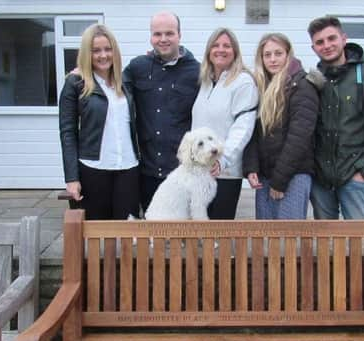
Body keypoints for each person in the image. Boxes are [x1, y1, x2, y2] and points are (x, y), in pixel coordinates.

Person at [307, 16, 364, 219]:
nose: (327, 45)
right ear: (314, 48)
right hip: (321, 179)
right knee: (325, 243)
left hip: (354, 177)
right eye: (320, 42)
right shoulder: (313, 81)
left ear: (343, 39)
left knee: (361, 241)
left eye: (331, 39)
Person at [59, 24, 140, 220]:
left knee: (128, 233)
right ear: (87, 53)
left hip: (128, 168)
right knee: (95, 235)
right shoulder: (75, 83)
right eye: (96, 50)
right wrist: (71, 178)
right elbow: (68, 132)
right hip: (93, 170)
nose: (103, 55)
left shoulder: (125, 81)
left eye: (107, 49)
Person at [123, 11, 200, 214]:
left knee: (182, 235)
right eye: (157, 34)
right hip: (147, 171)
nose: (163, 39)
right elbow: (111, 86)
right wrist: (84, 74)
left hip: (182, 172)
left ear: (179, 35)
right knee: (152, 233)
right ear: (151, 37)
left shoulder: (198, 71)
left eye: (169, 33)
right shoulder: (137, 67)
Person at [243, 33, 318, 219]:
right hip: (267, 176)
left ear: (288, 54)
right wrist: (251, 167)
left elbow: (299, 138)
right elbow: (254, 132)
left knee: (287, 241)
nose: (273, 59)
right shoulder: (261, 86)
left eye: (278, 53)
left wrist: (280, 181)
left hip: (292, 176)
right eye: (267, 55)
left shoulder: (302, 85)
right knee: (267, 237)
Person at [191, 28, 258, 219]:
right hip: (199, 170)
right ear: (208, 51)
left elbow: (243, 128)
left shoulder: (243, 82)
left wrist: (223, 159)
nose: (221, 50)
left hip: (224, 172)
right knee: (198, 229)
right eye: (216, 45)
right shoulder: (205, 82)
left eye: (227, 46)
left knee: (218, 234)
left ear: (235, 51)